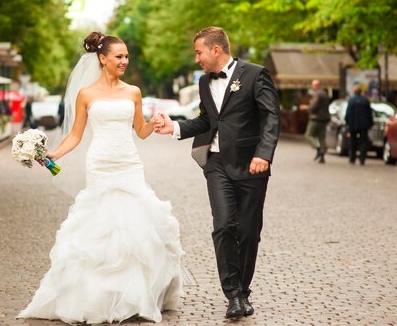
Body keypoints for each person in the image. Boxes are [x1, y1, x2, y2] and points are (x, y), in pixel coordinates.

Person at [18, 32, 183, 324]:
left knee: (135, 225)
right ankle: (99, 296)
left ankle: (136, 297)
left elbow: (140, 132)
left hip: (129, 163)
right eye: (119, 56)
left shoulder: (133, 91)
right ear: (102, 59)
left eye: (127, 56)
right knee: (102, 226)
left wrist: (154, 124)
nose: (124, 61)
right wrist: (53, 155)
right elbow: (76, 135)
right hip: (101, 164)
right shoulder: (86, 94)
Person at [154, 26, 280, 319]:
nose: (196, 58)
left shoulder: (255, 74)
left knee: (248, 232)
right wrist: (174, 127)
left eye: (198, 52)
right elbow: (206, 121)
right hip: (217, 164)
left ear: (215, 50)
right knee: (224, 225)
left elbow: (271, 116)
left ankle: (244, 290)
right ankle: (233, 294)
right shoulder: (203, 82)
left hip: (252, 164)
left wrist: (264, 154)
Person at [301, 79, 330, 163]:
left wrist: (307, 107)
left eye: (313, 85)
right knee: (321, 137)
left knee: (308, 134)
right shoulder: (325, 93)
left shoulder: (318, 94)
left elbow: (313, 106)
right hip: (324, 118)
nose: (312, 87)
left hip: (316, 118)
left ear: (317, 85)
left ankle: (317, 147)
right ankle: (322, 155)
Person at [345, 86, 374, 165]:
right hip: (363, 125)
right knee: (363, 142)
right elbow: (369, 113)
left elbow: (348, 113)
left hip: (353, 124)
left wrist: (347, 123)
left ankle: (352, 158)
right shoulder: (365, 101)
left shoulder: (351, 100)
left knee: (353, 141)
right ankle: (362, 158)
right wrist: (370, 123)